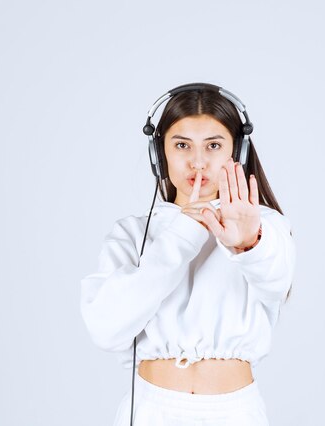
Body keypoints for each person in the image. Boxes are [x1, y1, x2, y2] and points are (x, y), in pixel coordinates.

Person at [80, 83, 296, 425]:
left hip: (234, 412)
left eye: (214, 145)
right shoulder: (132, 234)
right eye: (182, 145)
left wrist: (248, 244)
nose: (198, 161)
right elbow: (106, 328)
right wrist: (184, 233)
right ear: (159, 152)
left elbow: (276, 281)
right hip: (153, 411)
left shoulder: (263, 226)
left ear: (236, 153)